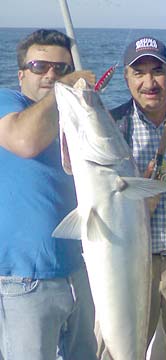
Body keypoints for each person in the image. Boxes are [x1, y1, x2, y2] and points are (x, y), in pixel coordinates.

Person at [95, 36, 166, 360]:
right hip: (130, 264)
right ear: (127, 79)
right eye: (139, 72)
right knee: (115, 351)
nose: (149, 82)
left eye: (157, 71)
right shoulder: (111, 127)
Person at [0, 29, 98, 360]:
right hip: (24, 280)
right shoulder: (6, 102)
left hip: (79, 271)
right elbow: (23, 142)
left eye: (61, 68)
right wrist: (66, 88)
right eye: (40, 66)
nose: (51, 74)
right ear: (21, 73)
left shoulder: (70, 119)